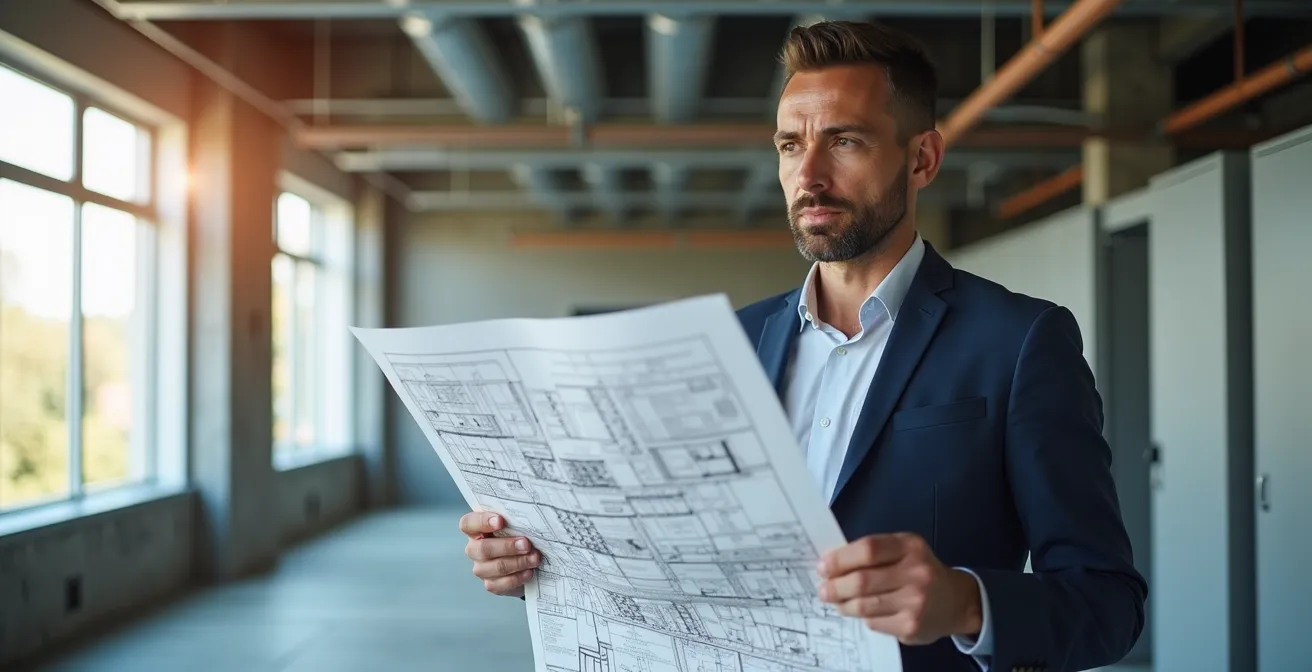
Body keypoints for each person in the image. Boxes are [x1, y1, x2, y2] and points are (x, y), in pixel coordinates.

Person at [459, 19, 1146, 672]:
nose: (809, 175)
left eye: (845, 141)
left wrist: (966, 604)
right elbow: (666, 553)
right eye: (791, 145)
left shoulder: (1021, 342)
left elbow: (1107, 603)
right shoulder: (727, 340)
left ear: (923, 158)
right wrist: (536, 563)